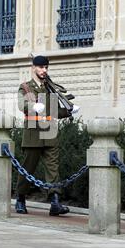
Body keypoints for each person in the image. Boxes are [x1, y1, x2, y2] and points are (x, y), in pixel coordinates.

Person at [16, 55, 80, 216]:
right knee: (27, 169)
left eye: (46, 67)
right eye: (41, 67)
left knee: (53, 169)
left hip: (50, 133)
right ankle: (21, 198)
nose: (44, 70)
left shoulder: (50, 88)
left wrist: (69, 111)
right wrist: (32, 106)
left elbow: (55, 111)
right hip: (33, 133)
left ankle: (55, 202)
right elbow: (22, 104)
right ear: (33, 68)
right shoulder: (26, 87)